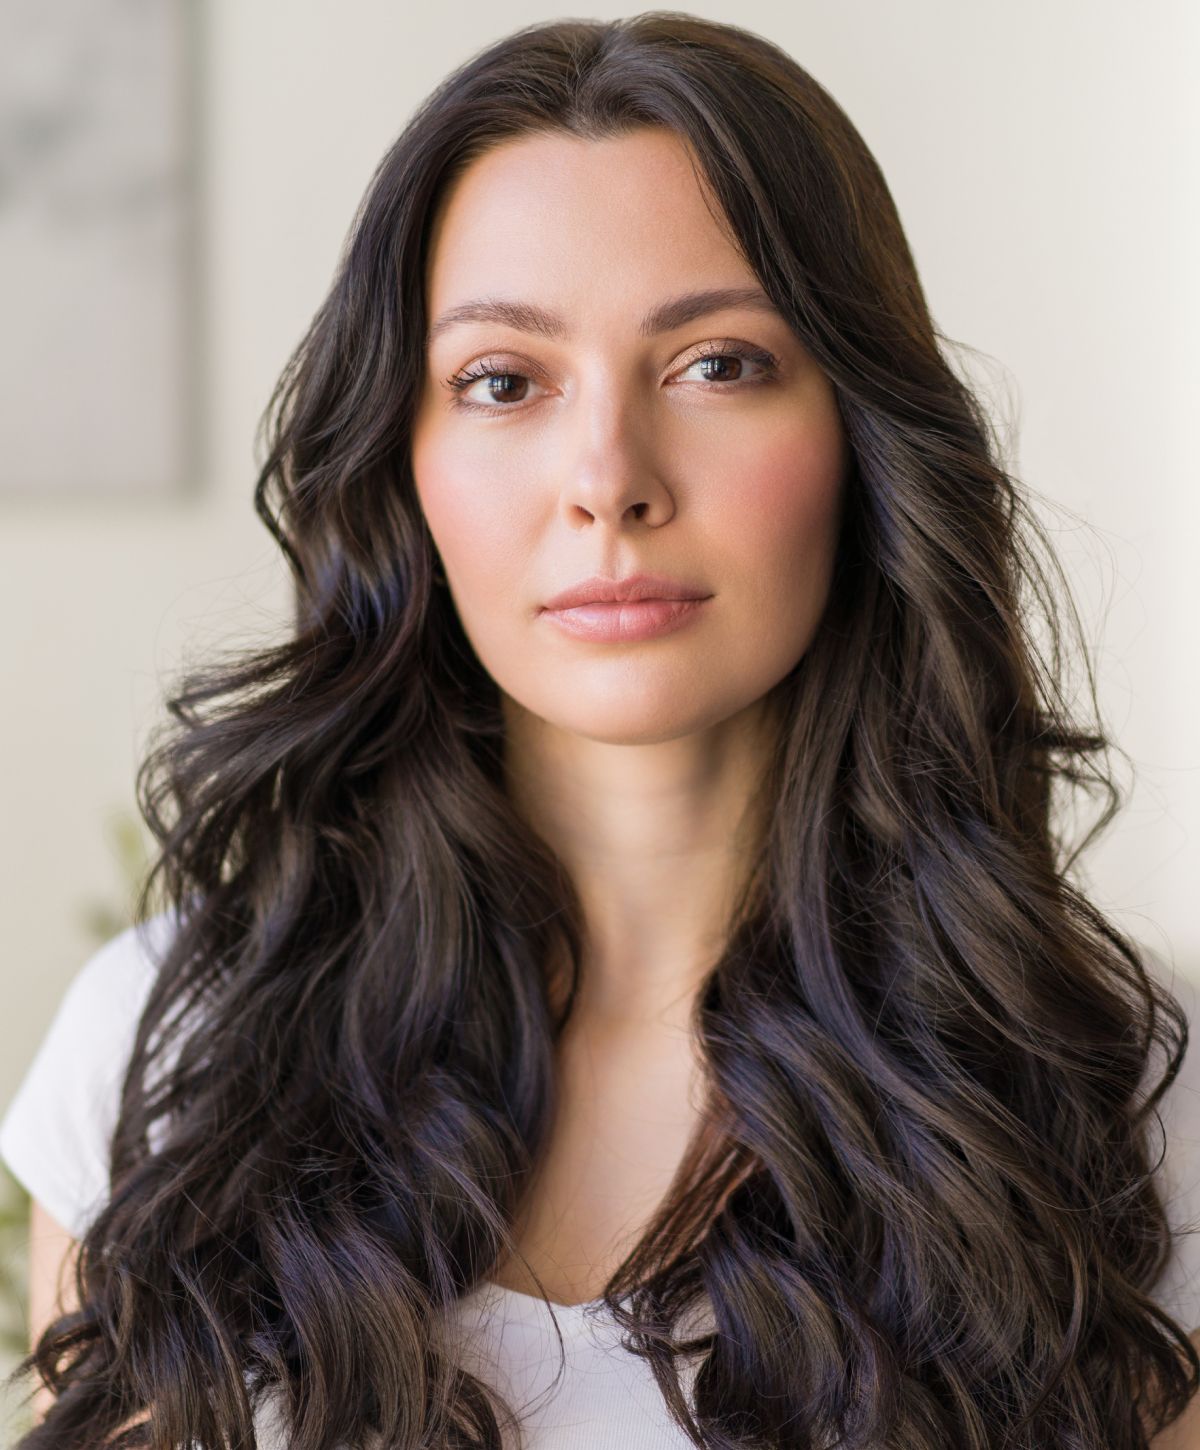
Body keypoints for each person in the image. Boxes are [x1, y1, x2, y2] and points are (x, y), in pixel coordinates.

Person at [2, 12, 1198, 1448]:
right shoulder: (168, 1048)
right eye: (505, 381)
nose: (609, 480)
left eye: (718, 364)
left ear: (861, 435)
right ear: (406, 463)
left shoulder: (1118, 1089)